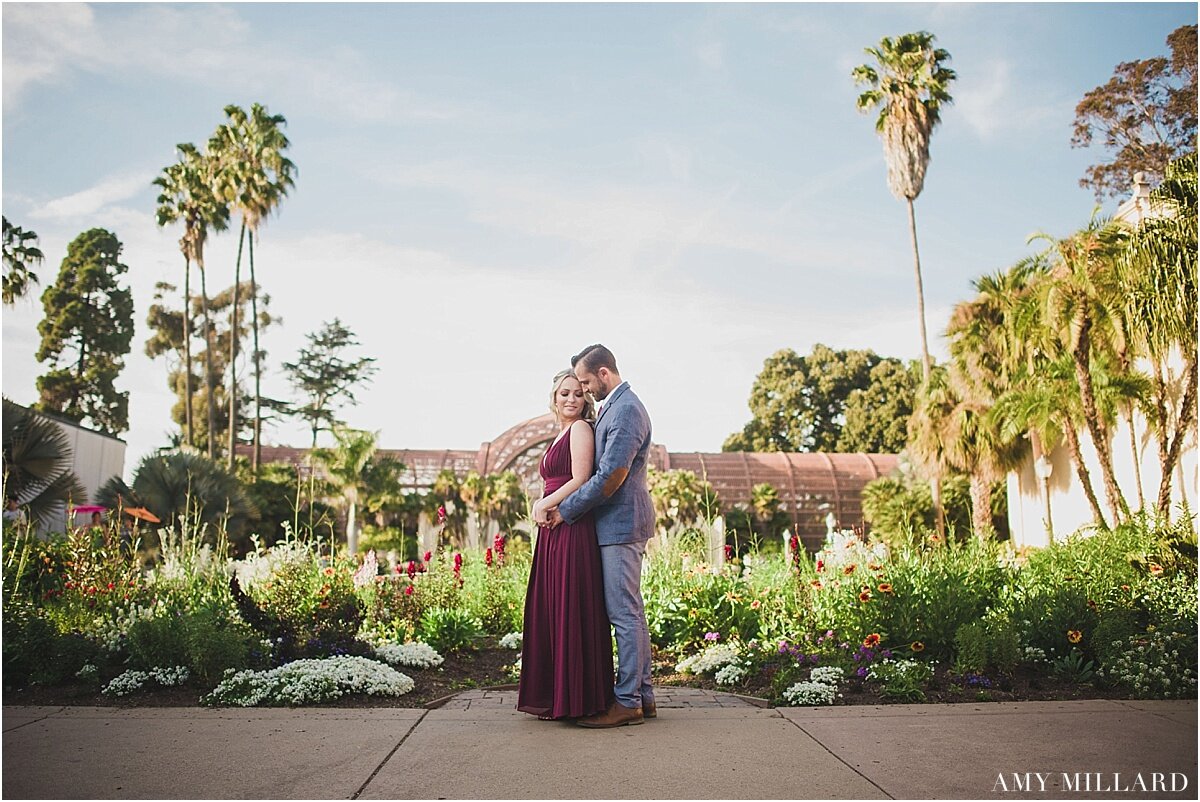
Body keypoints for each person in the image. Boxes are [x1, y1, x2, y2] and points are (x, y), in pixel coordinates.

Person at [546, 344, 656, 728]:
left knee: (623, 614)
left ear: (605, 373)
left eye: (588, 382)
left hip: (621, 524)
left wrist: (566, 510)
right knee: (630, 611)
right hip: (617, 524)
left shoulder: (625, 409)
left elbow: (611, 476)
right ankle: (643, 694)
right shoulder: (617, 407)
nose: (586, 390)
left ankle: (627, 702)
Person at [517, 369, 615, 721]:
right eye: (564, 394)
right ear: (554, 398)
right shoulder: (560, 432)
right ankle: (556, 696)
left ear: (585, 397)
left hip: (571, 527)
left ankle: (576, 699)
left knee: (570, 605)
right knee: (553, 606)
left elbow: (581, 478)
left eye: (577, 393)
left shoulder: (580, 429)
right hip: (553, 530)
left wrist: (544, 503)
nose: (571, 399)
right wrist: (543, 504)